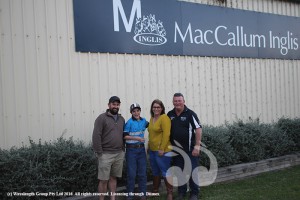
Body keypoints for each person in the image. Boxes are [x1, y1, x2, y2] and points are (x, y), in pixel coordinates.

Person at [167, 93, 202, 200]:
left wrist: (197, 145)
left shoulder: (190, 114)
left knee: (192, 171)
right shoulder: (170, 114)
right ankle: (182, 192)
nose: (177, 103)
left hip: (190, 149)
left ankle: (194, 192)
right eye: (175, 101)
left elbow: (198, 129)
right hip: (177, 150)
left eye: (179, 100)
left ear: (184, 101)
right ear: (173, 102)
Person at [92, 96, 125, 200]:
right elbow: (96, 135)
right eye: (113, 104)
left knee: (113, 177)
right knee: (103, 180)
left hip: (119, 153)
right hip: (105, 154)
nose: (115, 106)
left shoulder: (121, 119)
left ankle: (113, 198)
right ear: (109, 105)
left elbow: (123, 135)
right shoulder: (101, 118)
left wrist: (123, 149)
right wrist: (99, 152)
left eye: (117, 104)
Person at [147, 99, 173, 200]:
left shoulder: (164, 118)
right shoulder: (152, 118)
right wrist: (148, 145)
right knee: (155, 171)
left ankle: (170, 193)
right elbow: (151, 134)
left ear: (162, 108)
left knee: (165, 171)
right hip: (152, 150)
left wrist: (162, 148)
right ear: (152, 108)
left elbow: (166, 134)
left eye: (158, 107)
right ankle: (155, 190)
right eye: (154, 107)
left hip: (163, 151)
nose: (156, 109)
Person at [123, 103, 149, 200]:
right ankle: (130, 195)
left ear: (140, 111)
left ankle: (143, 194)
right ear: (131, 112)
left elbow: (152, 127)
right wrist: (137, 138)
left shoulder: (144, 121)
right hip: (131, 150)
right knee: (131, 174)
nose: (136, 113)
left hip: (141, 150)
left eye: (138, 110)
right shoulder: (129, 122)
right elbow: (125, 136)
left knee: (142, 173)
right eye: (134, 111)